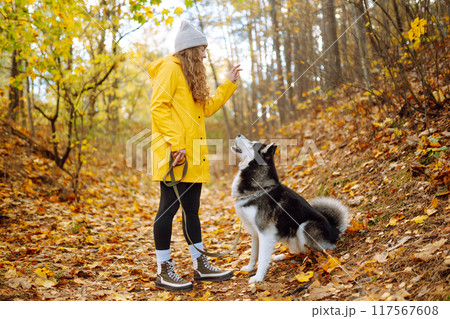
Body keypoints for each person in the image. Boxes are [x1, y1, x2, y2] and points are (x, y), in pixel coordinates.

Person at [147, 20, 242, 292]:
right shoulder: (169, 69)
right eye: (202, 49)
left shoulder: (192, 76)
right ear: (189, 49)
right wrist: (177, 145)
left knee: (192, 211)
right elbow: (158, 108)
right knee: (168, 209)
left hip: (195, 154)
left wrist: (228, 84)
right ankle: (164, 270)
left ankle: (200, 265)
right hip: (175, 153)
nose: (204, 54)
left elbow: (207, 108)